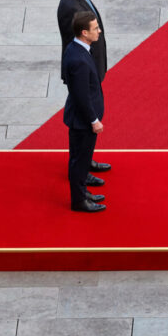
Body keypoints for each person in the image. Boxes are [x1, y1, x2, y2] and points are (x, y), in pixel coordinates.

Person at [57, 0, 111, 181]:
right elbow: (77, 47)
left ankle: (85, 161)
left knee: (86, 116)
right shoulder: (71, 6)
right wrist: (89, 74)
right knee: (84, 120)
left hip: (89, 68)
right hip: (83, 72)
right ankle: (81, 170)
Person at [63, 11, 107, 212]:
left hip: (81, 119)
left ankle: (83, 191)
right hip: (83, 121)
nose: (99, 31)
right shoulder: (79, 60)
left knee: (80, 158)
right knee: (79, 161)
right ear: (84, 33)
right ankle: (79, 200)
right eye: (95, 28)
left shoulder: (78, 48)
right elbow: (81, 95)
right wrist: (94, 120)